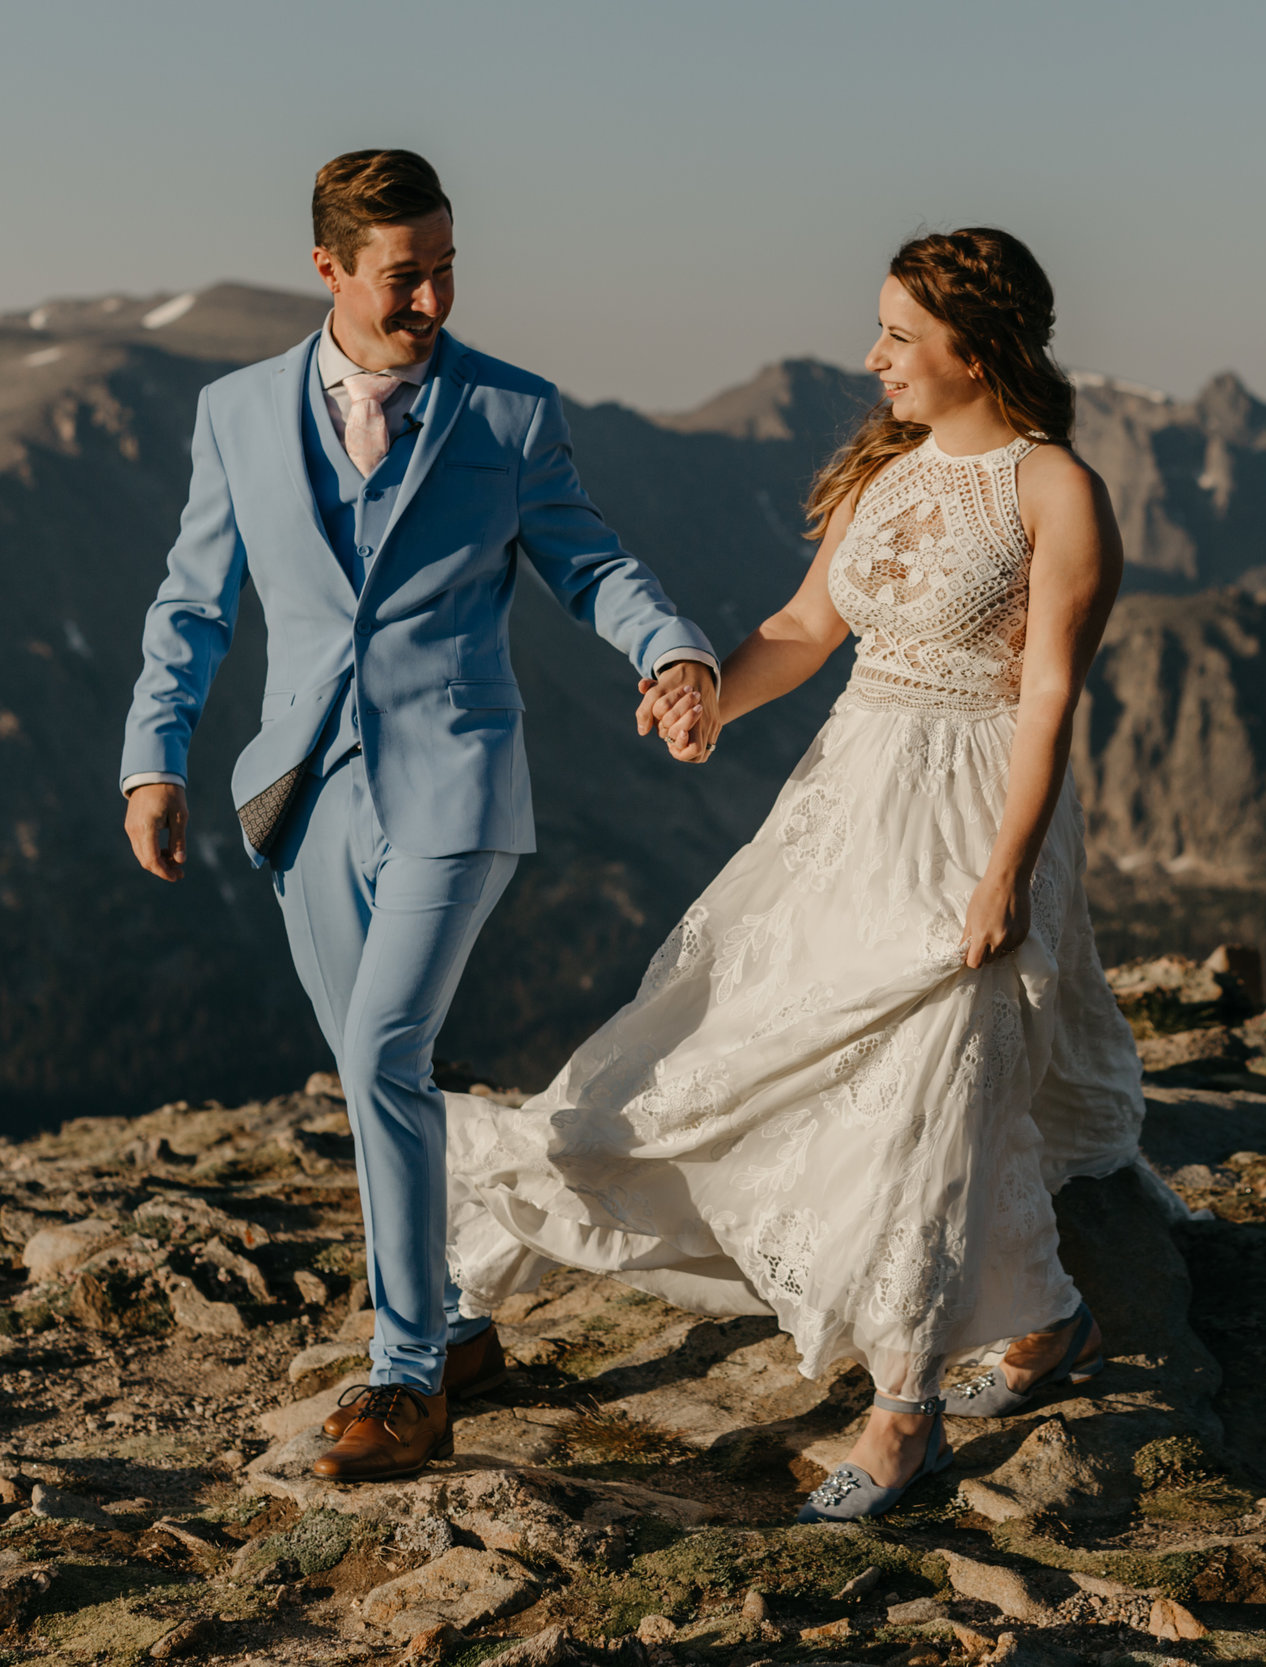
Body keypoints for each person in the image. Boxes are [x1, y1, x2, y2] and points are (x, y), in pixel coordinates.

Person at [443, 227, 1149, 1522]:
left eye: (897, 335)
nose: (871, 356)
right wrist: (712, 691)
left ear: (974, 349)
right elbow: (804, 629)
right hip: (843, 809)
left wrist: (1008, 875)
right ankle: (1047, 1319)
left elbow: (1048, 699)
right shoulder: (884, 473)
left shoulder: (1058, 493)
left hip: (973, 815)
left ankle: (904, 1410)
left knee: (927, 1083)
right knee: (732, 1049)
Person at [118, 150, 723, 1481]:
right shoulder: (235, 415)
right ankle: (453, 1324)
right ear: (329, 269)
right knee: (370, 1063)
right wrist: (151, 758)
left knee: (387, 1047)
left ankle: (404, 1376)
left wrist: (668, 651)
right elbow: (193, 602)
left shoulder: (508, 412)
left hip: (457, 778)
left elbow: (590, 556)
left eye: (449, 265)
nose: (435, 296)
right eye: (407, 273)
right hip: (300, 791)